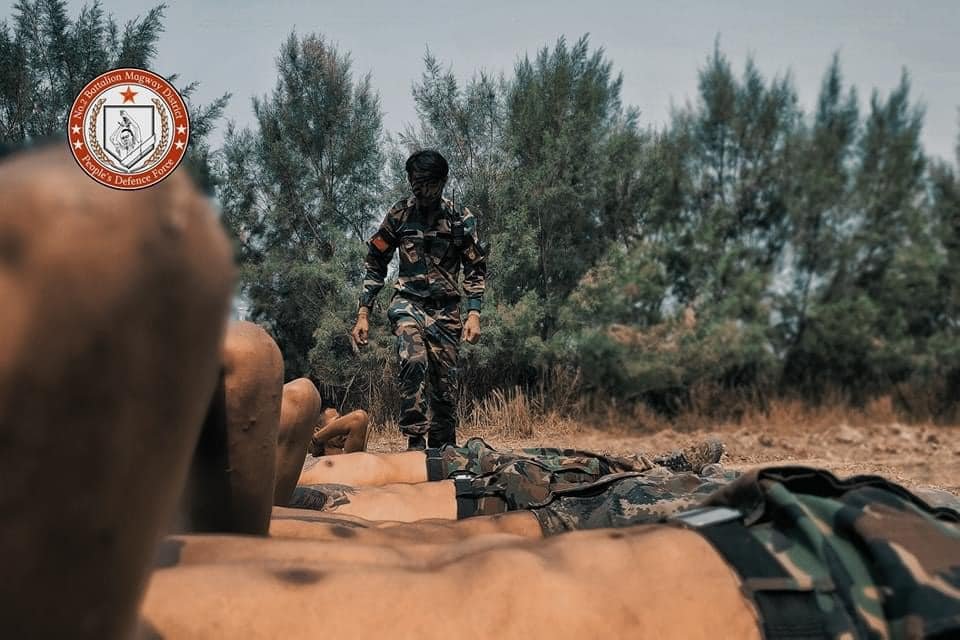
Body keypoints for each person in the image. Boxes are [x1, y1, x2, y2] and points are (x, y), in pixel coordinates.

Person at [351, 149, 487, 451]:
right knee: (412, 360)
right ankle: (415, 441)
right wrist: (363, 313)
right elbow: (375, 263)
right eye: (415, 183)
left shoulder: (459, 219)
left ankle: (440, 453)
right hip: (408, 303)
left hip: (446, 311)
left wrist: (474, 313)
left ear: (442, 182)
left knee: (444, 390)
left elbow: (475, 266)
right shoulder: (399, 215)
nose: (421, 190)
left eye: (428, 184)